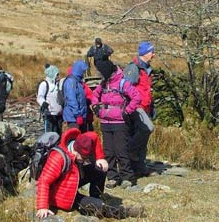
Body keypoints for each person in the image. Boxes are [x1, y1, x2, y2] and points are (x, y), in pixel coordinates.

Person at [36, 128, 143, 219]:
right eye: (83, 158)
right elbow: (43, 181)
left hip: (72, 178)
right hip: (61, 193)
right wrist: (42, 207)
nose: (85, 160)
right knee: (96, 206)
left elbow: (94, 136)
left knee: (100, 170)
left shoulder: (83, 140)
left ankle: (96, 197)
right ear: (75, 150)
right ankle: (124, 212)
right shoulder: (58, 157)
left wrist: (100, 158)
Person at [92, 60, 142, 188]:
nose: (100, 75)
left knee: (121, 151)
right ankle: (112, 177)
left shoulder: (122, 83)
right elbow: (94, 95)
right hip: (105, 121)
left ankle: (127, 177)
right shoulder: (103, 84)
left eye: (101, 73)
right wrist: (96, 107)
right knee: (108, 151)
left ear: (107, 72)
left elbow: (137, 97)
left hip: (120, 122)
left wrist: (127, 111)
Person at [126, 41, 157, 179]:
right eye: (152, 52)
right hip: (137, 108)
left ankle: (140, 167)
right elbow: (127, 88)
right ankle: (130, 151)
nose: (154, 55)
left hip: (146, 107)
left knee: (143, 140)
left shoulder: (147, 69)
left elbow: (147, 90)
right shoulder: (134, 68)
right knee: (147, 129)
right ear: (145, 53)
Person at [36, 64, 63, 134]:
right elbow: (40, 97)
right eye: (57, 74)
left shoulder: (57, 84)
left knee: (58, 135)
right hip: (49, 114)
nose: (58, 76)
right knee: (49, 135)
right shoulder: (44, 84)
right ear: (52, 74)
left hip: (59, 115)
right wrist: (44, 103)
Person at [62, 60, 88, 131]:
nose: (84, 73)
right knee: (75, 139)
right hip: (73, 118)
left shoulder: (78, 81)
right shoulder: (71, 82)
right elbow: (72, 100)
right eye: (83, 71)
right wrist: (78, 115)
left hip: (80, 116)